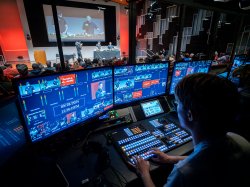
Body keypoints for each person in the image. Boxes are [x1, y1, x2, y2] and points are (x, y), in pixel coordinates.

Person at [134, 73, 250, 187]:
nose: (176, 106)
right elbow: (212, 160)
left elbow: (201, 161)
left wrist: (144, 173)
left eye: (177, 103)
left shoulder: (184, 173)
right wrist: (170, 158)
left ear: (190, 115)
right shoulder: (240, 141)